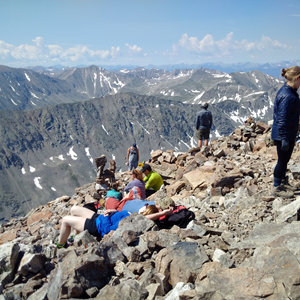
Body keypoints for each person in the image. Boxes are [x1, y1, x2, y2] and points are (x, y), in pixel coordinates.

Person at [57, 203, 160, 248]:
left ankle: (61, 245)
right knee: (73, 209)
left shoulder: (130, 219)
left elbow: (108, 230)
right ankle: (76, 238)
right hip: (99, 218)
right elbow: (117, 216)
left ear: (146, 212)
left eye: (146, 206)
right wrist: (113, 211)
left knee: (65, 220)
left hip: (97, 226)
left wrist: (162, 213)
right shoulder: (131, 213)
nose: (144, 205)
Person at [271, 66, 300, 198]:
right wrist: (284, 138)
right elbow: (282, 118)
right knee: (282, 161)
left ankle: (283, 182)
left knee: (285, 160)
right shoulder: (288, 96)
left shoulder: (288, 91)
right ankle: (277, 188)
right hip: (284, 134)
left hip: (286, 133)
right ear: (297, 78)